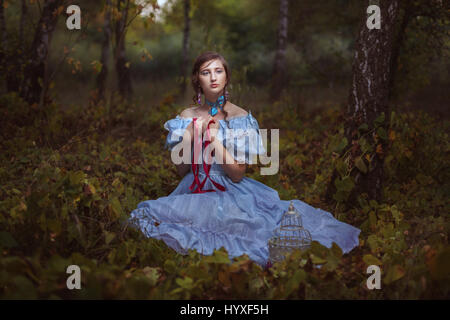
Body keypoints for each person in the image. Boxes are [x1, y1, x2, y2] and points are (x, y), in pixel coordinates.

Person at [129, 51, 360, 267]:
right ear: (196, 79)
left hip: (231, 190)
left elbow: (238, 173)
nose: (213, 78)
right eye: (205, 72)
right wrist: (189, 138)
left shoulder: (240, 117)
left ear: (227, 77)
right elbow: (182, 171)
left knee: (249, 231)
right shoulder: (185, 116)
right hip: (193, 188)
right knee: (145, 213)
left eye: (218, 71)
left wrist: (212, 139)